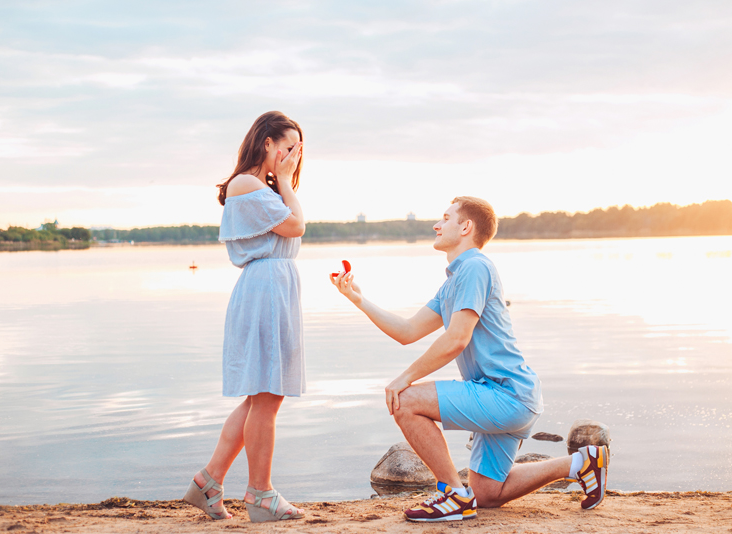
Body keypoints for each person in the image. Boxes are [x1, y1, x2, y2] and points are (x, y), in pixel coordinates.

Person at [330, 196, 609, 522]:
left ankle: (453, 494)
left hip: (507, 394)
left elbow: (457, 338)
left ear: (466, 227)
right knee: (488, 493)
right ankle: (582, 463)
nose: (437, 224)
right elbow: (406, 331)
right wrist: (358, 299)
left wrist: (404, 378)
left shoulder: (475, 267)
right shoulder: (454, 282)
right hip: (508, 396)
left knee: (404, 400)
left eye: (445, 218)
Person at [183, 111, 306, 523]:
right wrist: (287, 183)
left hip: (273, 287)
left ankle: (209, 482)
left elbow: (291, 226)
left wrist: (284, 183)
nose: (293, 156)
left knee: (262, 395)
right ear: (267, 142)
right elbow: (296, 226)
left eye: (298, 150)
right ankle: (260, 494)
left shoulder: (259, 187)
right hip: (265, 290)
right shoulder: (247, 183)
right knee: (268, 395)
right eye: (288, 147)